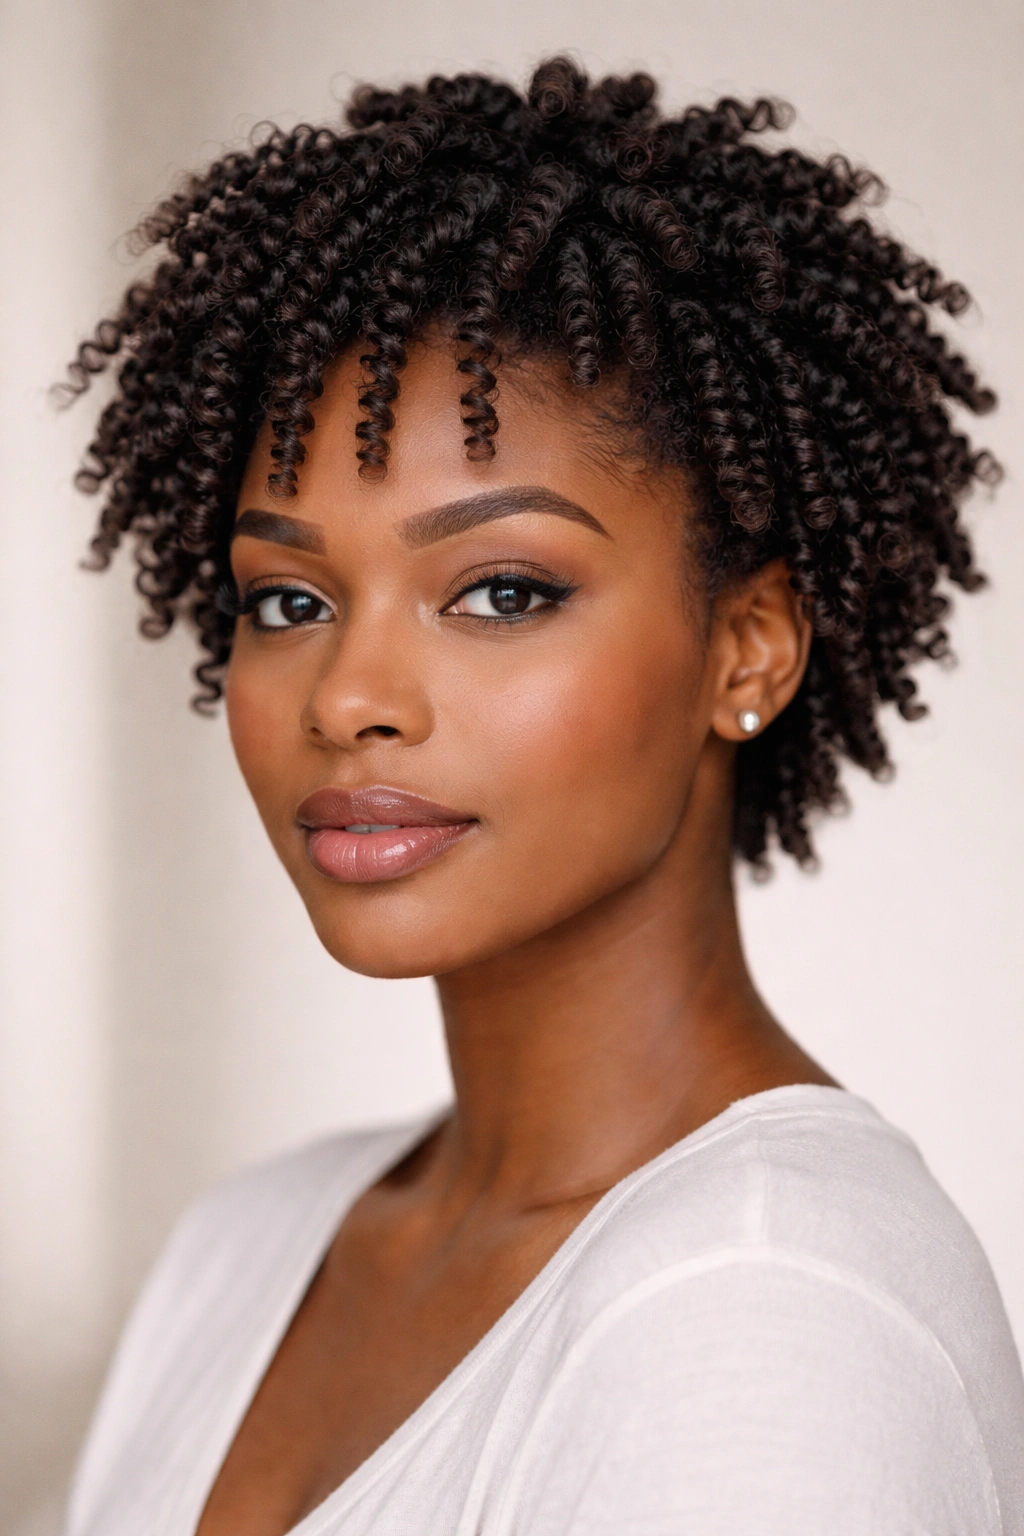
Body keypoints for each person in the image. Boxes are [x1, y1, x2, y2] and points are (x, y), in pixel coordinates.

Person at [60, 57, 1023, 1536]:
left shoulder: (773, 1309)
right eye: (288, 600)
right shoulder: (245, 1250)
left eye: (502, 590)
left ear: (748, 647)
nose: (348, 698)